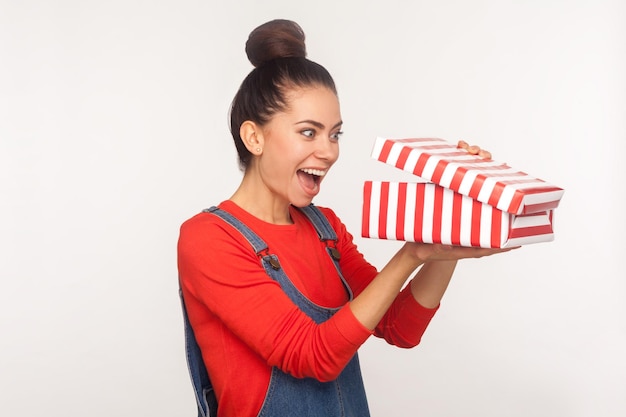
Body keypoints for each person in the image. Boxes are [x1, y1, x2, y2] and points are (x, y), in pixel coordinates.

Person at [177, 19, 515, 417]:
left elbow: (400, 327)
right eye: (308, 132)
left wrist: (445, 236)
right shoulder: (209, 238)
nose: (329, 152)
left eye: (335, 135)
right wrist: (410, 256)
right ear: (255, 137)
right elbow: (311, 356)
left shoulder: (325, 229)